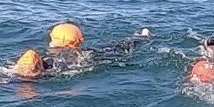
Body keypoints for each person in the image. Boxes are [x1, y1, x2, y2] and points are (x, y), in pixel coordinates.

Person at [11, 22, 150, 79]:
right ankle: (141, 37)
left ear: (52, 39)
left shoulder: (44, 57)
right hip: (78, 64)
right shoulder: (84, 53)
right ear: (78, 41)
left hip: (47, 72)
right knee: (116, 47)